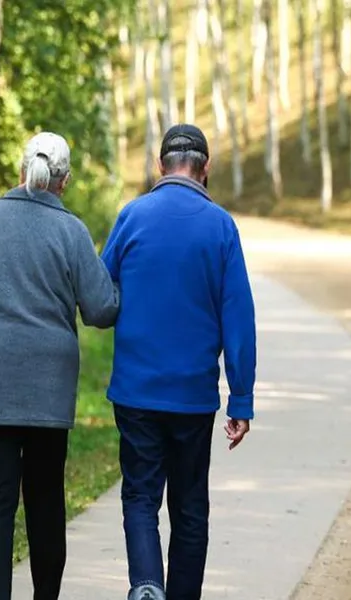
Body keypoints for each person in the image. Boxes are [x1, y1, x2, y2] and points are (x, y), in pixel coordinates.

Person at [0, 131, 120, 600]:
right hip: (48, 392)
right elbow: (101, 310)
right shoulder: (73, 232)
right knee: (45, 504)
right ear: (63, 182)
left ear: (22, 170)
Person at [101, 124, 257, 600]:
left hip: (135, 391)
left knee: (141, 497)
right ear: (206, 169)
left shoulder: (132, 217)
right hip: (192, 397)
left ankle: (147, 584)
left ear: (160, 165)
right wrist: (242, 399)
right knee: (190, 508)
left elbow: (101, 295)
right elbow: (239, 318)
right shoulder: (221, 227)